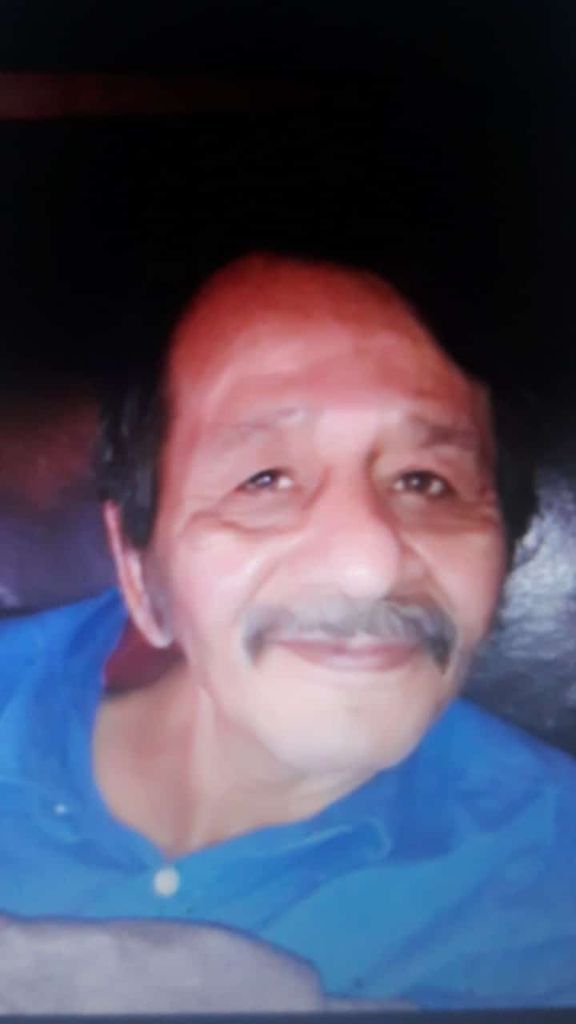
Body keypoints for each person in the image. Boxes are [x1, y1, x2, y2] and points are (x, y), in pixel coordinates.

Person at [0, 251, 575, 1010]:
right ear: (141, 572)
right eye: (263, 479)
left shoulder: (552, 898)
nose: (368, 567)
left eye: (425, 482)